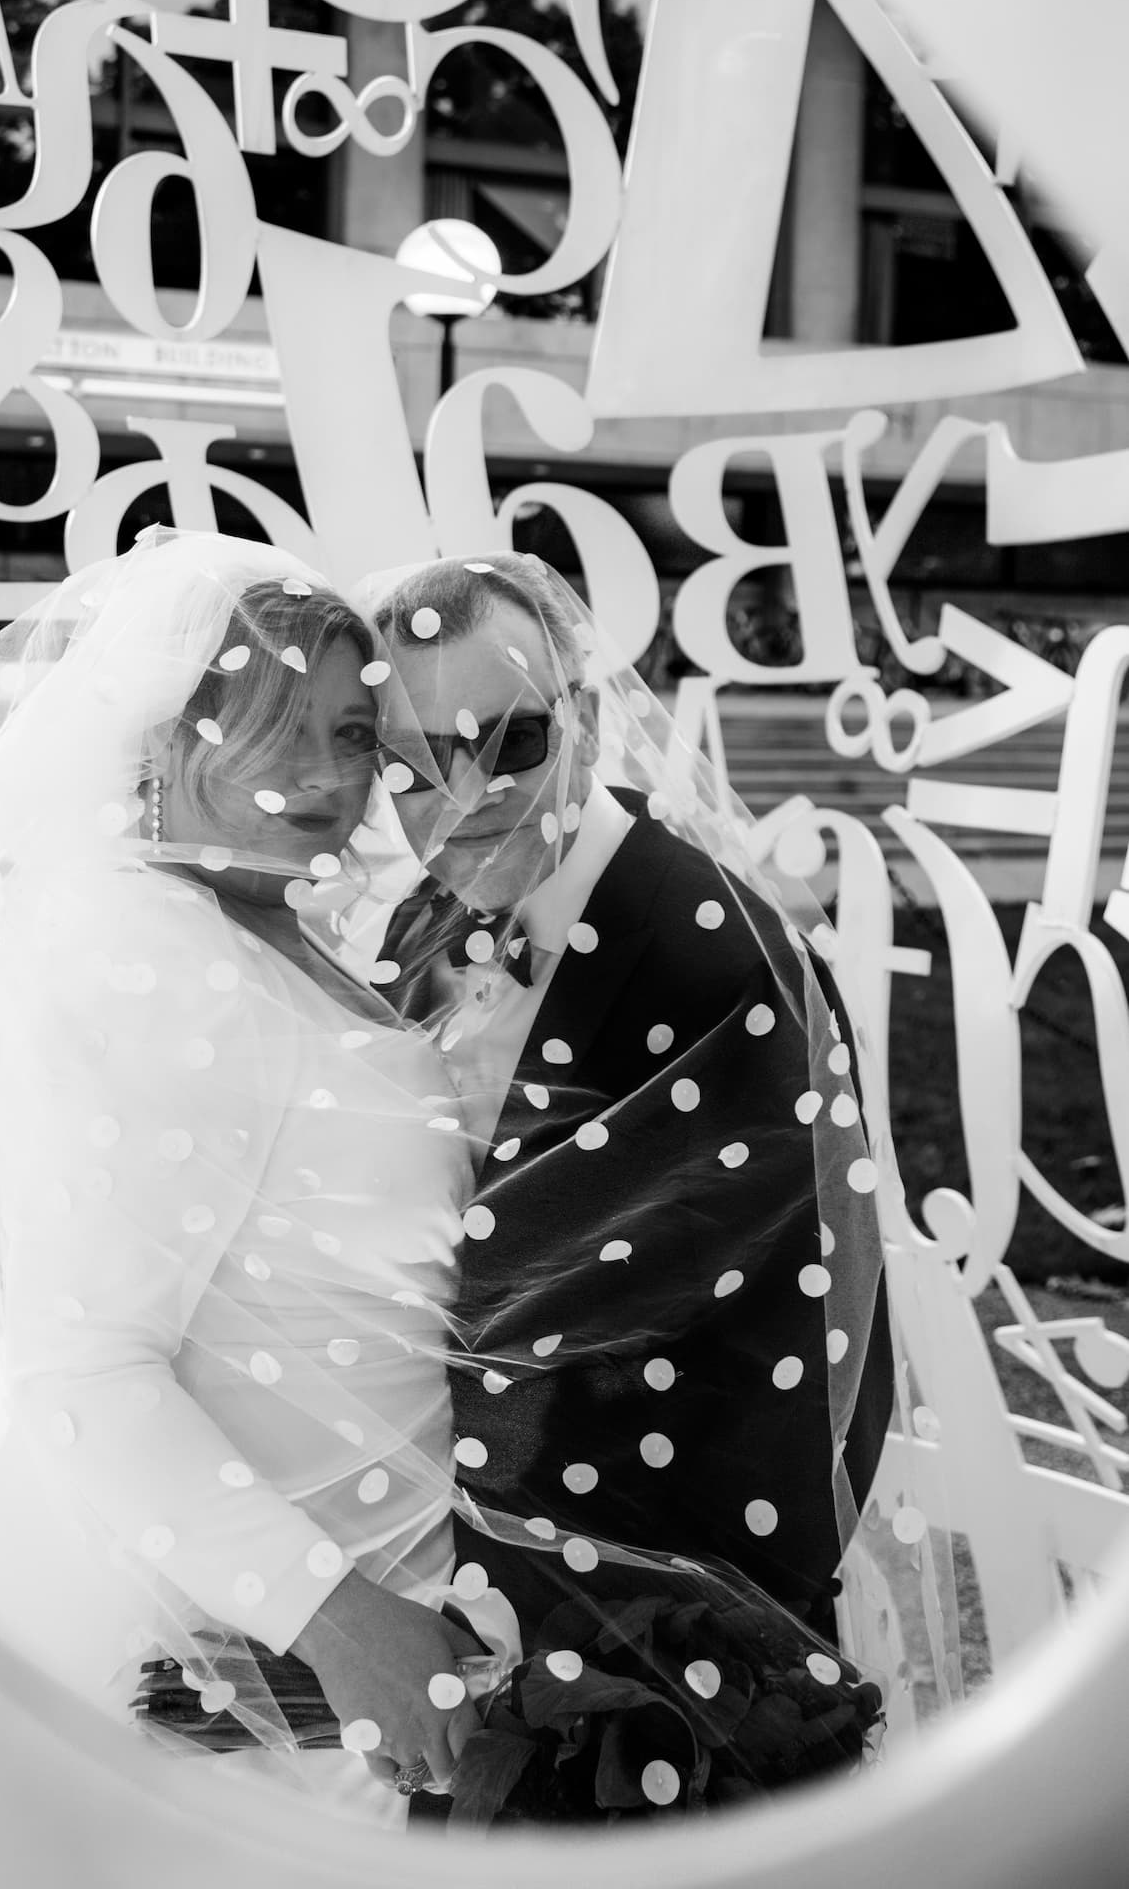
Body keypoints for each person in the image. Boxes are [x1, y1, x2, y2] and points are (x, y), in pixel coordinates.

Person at [0, 530, 502, 1824]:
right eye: (275, 732)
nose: (328, 779)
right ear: (165, 746)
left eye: (352, 736)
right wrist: (343, 1625)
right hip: (244, 1657)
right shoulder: (144, 953)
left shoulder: (261, 924)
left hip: (315, 1633)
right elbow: (89, 1367)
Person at [365, 552, 898, 1656]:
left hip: (643, 1603)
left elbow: (782, 1329)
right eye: (411, 764)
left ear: (589, 722)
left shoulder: (715, 955)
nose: (462, 799)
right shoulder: (422, 921)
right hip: (449, 1566)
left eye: (509, 743)